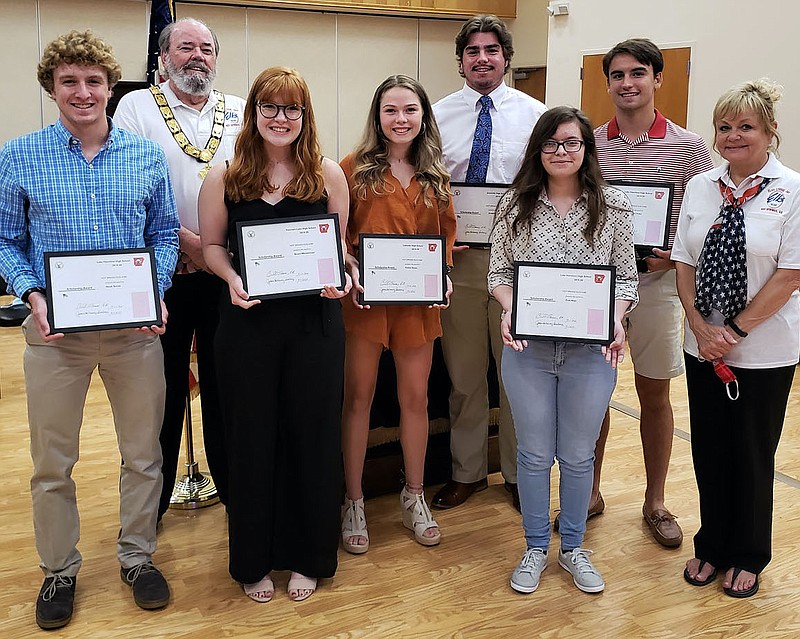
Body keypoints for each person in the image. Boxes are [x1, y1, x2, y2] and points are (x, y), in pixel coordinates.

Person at [0, 30, 179, 629]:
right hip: (55, 334)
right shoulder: (18, 155)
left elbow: (163, 236)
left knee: (143, 454)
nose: (83, 92)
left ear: (111, 87)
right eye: (69, 81)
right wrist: (30, 294)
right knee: (53, 462)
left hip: (134, 333)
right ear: (52, 87)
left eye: (94, 81)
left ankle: (136, 557)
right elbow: (6, 239)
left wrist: (157, 290)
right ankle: (59, 569)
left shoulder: (145, 154)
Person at [198, 66, 350, 603]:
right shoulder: (225, 176)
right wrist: (231, 277)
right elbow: (212, 246)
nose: (280, 118)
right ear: (253, 112)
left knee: (311, 436)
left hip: (315, 326)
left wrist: (345, 276)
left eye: (292, 109)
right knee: (251, 437)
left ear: (304, 117)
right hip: (246, 323)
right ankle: (253, 560)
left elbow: (340, 251)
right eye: (270, 106)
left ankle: (310, 555)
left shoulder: (328, 175)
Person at [488, 106, 637, 595]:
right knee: (532, 455)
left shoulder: (613, 207)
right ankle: (534, 546)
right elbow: (499, 275)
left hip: (590, 352)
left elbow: (626, 280)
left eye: (572, 143)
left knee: (576, 456)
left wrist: (615, 320)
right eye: (551, 144)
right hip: (528, 347)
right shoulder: (514, 206)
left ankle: (573, 548)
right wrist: (510, 309)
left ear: (586, 150)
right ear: (538, 150)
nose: (561, 152)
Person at [582, 38, 714, 547]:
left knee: (653, 394)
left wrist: (676, 254)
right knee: (593, 395)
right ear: (608, 83)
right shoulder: (590, 143)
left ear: (658, 78)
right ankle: (589, 492)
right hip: (601, 289)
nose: (628, 83)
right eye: (617, 75)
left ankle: (655, 501)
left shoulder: (690, 146)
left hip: (658, 288)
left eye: (638, 73)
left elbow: (706, 217)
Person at [673, 79, 800, 598]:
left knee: (751, 453)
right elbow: (684, 259)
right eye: (724, 127)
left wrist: (734, 331)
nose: (732, 136)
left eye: (745, 126)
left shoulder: (792, 190)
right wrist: (701, 327)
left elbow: (790, 274)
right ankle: (712, 545)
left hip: (763, 351)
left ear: (770, 132)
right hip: (702, 344)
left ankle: (749, 553)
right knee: (709, 450)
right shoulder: (703, 187)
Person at [115, 17, 245, 521]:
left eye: (206, 48)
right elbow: (128, 191)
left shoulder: (239, 109)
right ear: (163, 56)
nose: (197, 56)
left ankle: (236, 492)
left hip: (226, 275)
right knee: (162, 396)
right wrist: (190, 244)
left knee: (226, 388)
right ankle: (154, 505)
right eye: (185, 47)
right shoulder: (135, 108)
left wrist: (214, 253)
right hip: (163, 277)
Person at [432, 14, 547, 512]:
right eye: (473, 51)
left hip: (518, 262)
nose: (482, 59)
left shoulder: (535, 115)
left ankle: (520, 475)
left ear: (505, 57)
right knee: (463, 373)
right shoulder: (434, 115)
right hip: (457, 261)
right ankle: (467, 471)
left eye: (492, 50)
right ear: (460, 60)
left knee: (516, 376)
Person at [340, 75, 456, 553]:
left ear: (423, 116)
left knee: (416, 400)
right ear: (377, 116)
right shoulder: (352, 169)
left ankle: (414, 495)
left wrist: (444, 274)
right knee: (358, 400)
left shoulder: (437, 176)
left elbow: (446, 239)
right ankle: (352, 499)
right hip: (364, 304)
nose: (401, 119)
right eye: (391, 110)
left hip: (416, 308)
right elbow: (338, 237)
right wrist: (349, 266)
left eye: (410, 110)